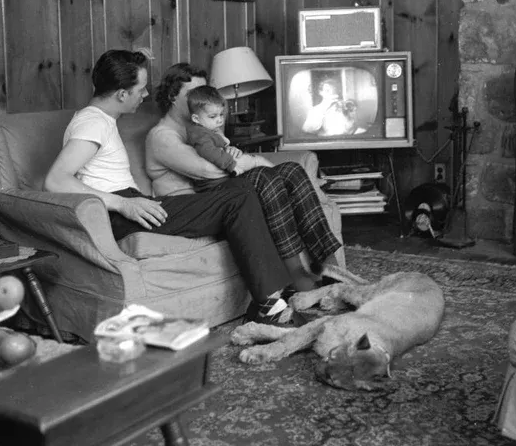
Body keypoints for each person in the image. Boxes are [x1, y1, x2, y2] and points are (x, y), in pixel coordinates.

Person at [43, 49, 301, 326]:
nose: (144, 96)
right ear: (121, 94)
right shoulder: (92, 123)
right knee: (237, 199)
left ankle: (273, 295)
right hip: (121, 212)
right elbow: (56, 180)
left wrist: (138, 57)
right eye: (140, 90)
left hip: (133, 204)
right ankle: (270, 303)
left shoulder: (99, 119)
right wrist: (123, 204)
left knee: (239, 194)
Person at [144, 62, 343, 293]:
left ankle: (330, 265)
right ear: (172, 96)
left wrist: (237, 154)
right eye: (192, 93)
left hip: (221, 192)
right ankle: (295, 274)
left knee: (291, 170)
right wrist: (253, 161)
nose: (200, 97)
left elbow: (225, 156)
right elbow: (210, 170)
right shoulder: (162, 137)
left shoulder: (203, 126)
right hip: (198, 207)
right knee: (263, 176)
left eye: (205, 91)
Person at [186, 85, 273, 181]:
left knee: (259, 164)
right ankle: (278, 174)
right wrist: (230, 165)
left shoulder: (208, 130)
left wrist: (228, 148)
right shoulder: (199, 134)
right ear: (196, 119)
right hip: (223, 169)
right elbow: (208, 151)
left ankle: (277, 176)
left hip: (224, 166)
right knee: (257, 161)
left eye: (221, 114)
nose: (219, 120)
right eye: (212, 116)